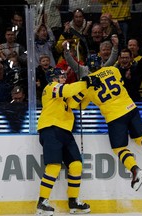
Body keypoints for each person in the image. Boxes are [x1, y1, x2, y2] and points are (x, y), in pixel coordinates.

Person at [66, 49, 142, 192]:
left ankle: (135, 170)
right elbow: (121, 82)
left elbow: (75, 105)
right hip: (131, 108)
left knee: (119, 148)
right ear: (100, 64)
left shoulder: (87, 86)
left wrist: (81, 88)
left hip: (114, 116)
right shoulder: (112, 70)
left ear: (88, 68)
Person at [36, 68, 101, 215]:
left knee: (76, 165)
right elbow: (69, 90)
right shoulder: (51, 87)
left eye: (64, 75)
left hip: (65, 130)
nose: (63, 77)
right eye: (60, 76)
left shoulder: (62, 93)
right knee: (53, 166)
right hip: (51, 128)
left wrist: (88, 90)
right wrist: (86, 81)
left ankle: (73, 202)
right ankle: (42, 203)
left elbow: (76, 104)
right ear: (53, 78)